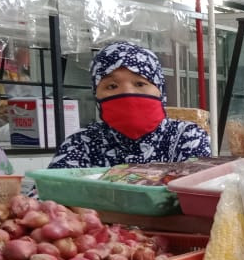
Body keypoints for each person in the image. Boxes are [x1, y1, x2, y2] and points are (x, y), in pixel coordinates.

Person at [49, 41, 211, 169]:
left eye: (140, 83)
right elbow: (47, 196)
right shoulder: (82, 142)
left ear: (160, 90)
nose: (127, 93)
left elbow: (199, 193)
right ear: (96, 96)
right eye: (112, 86)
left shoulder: (188, 137)